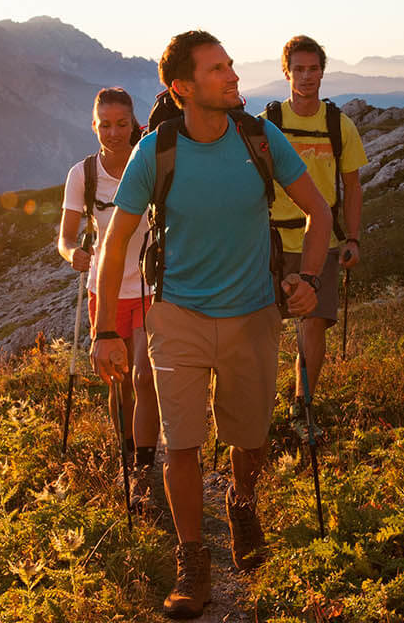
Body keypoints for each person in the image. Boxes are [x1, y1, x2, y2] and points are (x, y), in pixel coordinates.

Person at [92, 30, 331, 618]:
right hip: (177, 315)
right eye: (218, 69)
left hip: (253, 313)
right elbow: (116, 242)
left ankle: (243, 505)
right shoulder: (157, 151)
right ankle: (192, 558)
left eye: (230, 65)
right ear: (182, 88)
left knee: (250, 437)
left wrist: (311, 280)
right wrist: (104, 331)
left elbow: (319, 212)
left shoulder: (259, 137)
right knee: (182, 442)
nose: (233, 77)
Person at [55, 87, 162, 512]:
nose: (113, 133)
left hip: (154, 286)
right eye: (105, 125)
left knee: (145, 377)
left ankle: (143, 467)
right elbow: (64, 236)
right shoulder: (83, 174)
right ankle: (129, 448)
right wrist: (72, 253)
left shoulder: (151, 164)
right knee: (120, 385)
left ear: (135, 124)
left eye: (122, 124)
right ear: (93, 125)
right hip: (108, 288)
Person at [261, 35, 367, 416]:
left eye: (314, 69)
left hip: (322, 242)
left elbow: (352, 188)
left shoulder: (340, 126)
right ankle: (260, 407)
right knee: (263, 332)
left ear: (323, 71)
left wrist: (352, 238)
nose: (307, 77)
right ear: (286, 72)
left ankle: (301, 405)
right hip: (270, 242)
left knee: (313, 327)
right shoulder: (266, 125)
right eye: (299, 69)